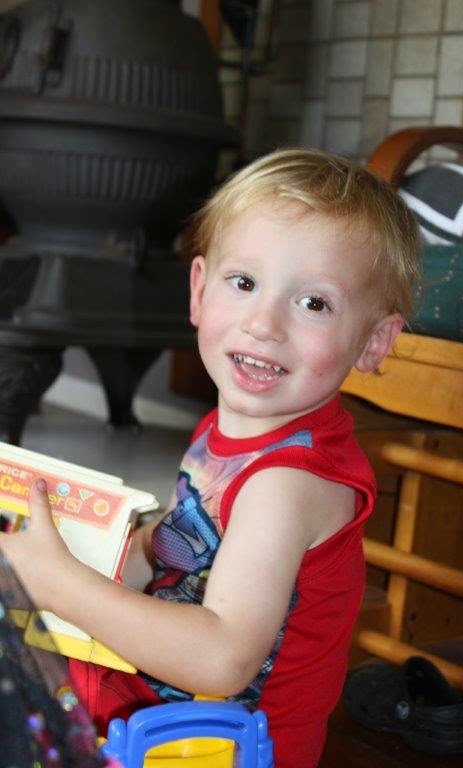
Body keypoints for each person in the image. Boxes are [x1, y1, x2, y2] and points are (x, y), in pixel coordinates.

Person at [0, 148, 422, 768]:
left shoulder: (287, 483)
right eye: (244, 283)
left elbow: (223, 658)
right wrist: (114, 548)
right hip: (163, 696)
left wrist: (61, 583)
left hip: (210, 743)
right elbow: (178, 545)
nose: (264, 323)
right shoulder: (228, 427)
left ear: (374, 341)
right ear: (199, 290)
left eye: (314, 303)